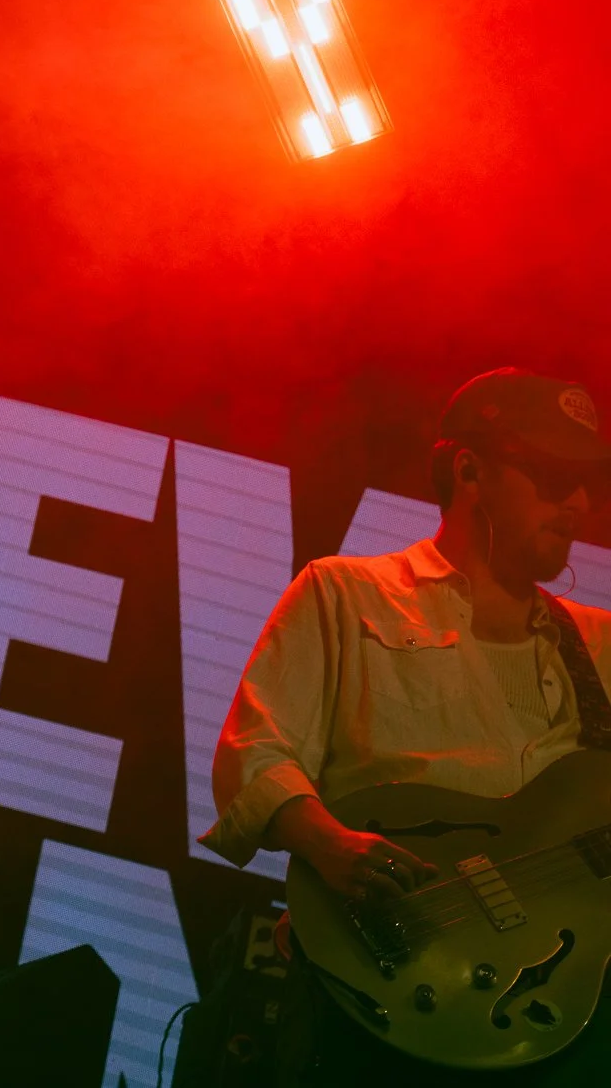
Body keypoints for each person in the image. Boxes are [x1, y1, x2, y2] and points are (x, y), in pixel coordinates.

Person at [204, 368, 611, 1085]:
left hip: (566, 1008)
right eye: (552, 475)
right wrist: (333, 848)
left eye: (587, 481)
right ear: (469, 468)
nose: (577, 501)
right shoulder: (344, 592)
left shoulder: (600, 646)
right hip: (382, 987)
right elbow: (256, 753)